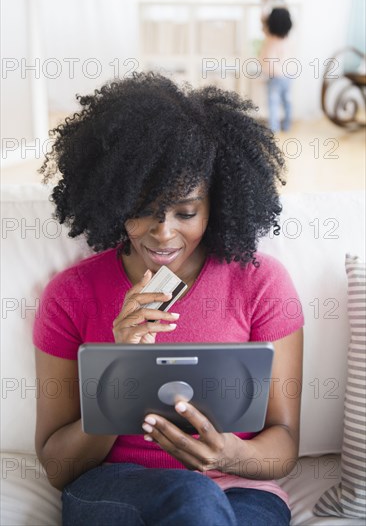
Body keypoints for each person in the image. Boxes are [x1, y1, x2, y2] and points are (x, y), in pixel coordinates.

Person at [33, 72, 304, 526]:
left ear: (218, 203)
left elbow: (284, 445)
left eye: (186, 212)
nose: (163, 233)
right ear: (114, 200)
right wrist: (120, 374)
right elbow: (59, 467)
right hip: (114, 484)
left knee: (202, 502)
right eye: (143, 209)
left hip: (241, 488)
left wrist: (231, 454)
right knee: (193, 500)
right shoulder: (71, 295)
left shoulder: (261, 285)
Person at [259, 7, 294, 132]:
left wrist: (265, 4)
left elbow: (262, 18)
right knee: (287, 100)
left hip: (274, 75)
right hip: (288, 74)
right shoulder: (287, 39)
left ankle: (274, 128)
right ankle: (287, 125)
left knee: (273, 103)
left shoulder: (270, 37)